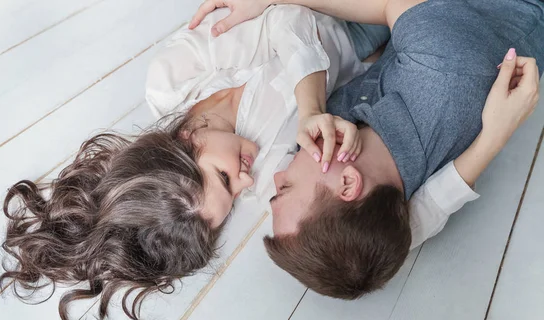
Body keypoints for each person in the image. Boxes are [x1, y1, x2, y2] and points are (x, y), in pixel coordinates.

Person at [190, 0, 543, 298]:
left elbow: (407, 230)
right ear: (348, 184)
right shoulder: (442, 76)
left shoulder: (377, 182)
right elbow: (391, 3)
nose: (277, 172)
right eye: (285, 187)